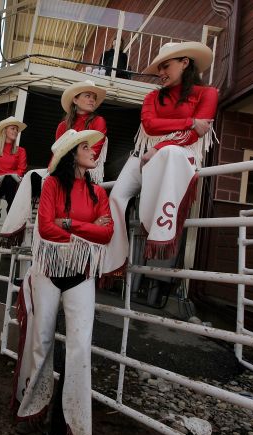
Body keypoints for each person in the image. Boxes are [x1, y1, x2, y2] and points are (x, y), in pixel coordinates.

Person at [12, 129, 114, 435]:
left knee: (80, 347)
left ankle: (75, 428)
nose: (93, 151)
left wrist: (67, 223)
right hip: (48, 270)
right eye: (86, 147)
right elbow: (45, 227)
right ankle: (32, 410)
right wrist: (84, 230)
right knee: (41, 341)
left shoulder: (98, 192)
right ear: (72, 154)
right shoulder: (52, 184)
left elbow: (107, 233)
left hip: (80, 273)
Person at [103, 41, 218, 275]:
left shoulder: (208, 93)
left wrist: (162, 147)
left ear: (185, 63)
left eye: (166, 66)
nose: (161, 74)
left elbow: (198, 133)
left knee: (168, 153)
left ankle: (157, 237)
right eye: (159, 70)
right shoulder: (152, 97)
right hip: (146, 154)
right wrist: (189, 121)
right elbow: (150, 125)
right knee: (116, 196)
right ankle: (114, 262)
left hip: (178, 154)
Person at [55, 80, 108, 183]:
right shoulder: (63, 126)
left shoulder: (99, 121)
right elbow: (57, 154)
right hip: (63, 173)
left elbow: (94, 152)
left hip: (86, 175)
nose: (92, 100)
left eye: (94, 97)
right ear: (75, 100)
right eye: (88, 96)